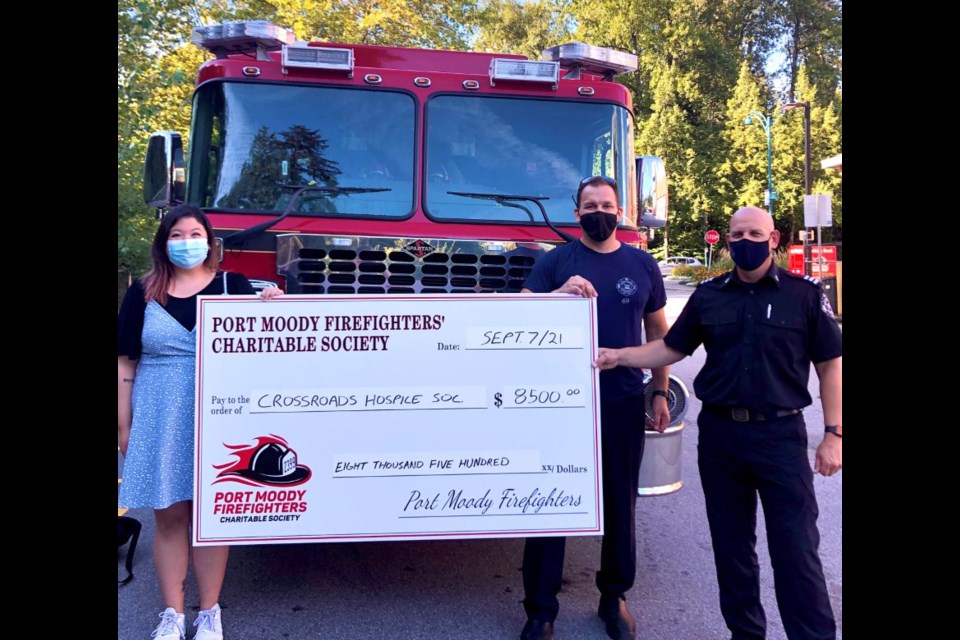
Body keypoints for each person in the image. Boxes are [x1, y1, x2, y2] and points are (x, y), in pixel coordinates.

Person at [596, 206, 842, 640]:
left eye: (754, 233)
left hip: (779, 436)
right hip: (721, 438)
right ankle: (745, 634)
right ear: (727, 241)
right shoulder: (709, 296)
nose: (745, 241)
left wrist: (834, 434)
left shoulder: (803, 294)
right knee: (732, 550)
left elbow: (830, 366)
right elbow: (669, 348)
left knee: (797, 551)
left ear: (774, 239)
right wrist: (617, 356)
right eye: (737, 234)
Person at [118, 205, 281, 640]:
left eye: (195, 233)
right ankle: (172, 614)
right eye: (177, 234)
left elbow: (270, 346)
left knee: (213, 519)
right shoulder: (144, 292)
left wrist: (273, 308)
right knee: (169, 518)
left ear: (210, 241)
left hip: (219, 416)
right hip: (158, 414)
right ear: (163, 242)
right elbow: (125, 361)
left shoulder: (235, 286)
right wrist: (123, 424)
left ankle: (210, 612)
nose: (186, 241)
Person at [518, 176, 671, 640]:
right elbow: (517, 314)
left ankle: (614, 597)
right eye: (590, 205)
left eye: (606, 204)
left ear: (620, 211)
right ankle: (540, 611)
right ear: (576, 212)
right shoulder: (555, 262)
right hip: (557, 404)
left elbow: (660, 337)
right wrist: (556, 296)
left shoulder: (643, 265)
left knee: (620, 503)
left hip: (622, 400)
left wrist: (660, 392)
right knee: (549, 502)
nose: (598, 211)